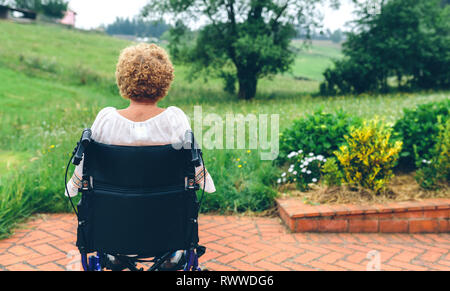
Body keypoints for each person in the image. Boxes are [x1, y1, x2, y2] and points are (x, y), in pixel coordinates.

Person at [65, 43, 215, 270]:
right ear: (165, 80)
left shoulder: (106, 120)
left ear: (122, 79)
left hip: (113, 236)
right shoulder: (175, 120)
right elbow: (202, 180)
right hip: (168, 236)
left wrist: (73, 186)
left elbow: (78, 180)